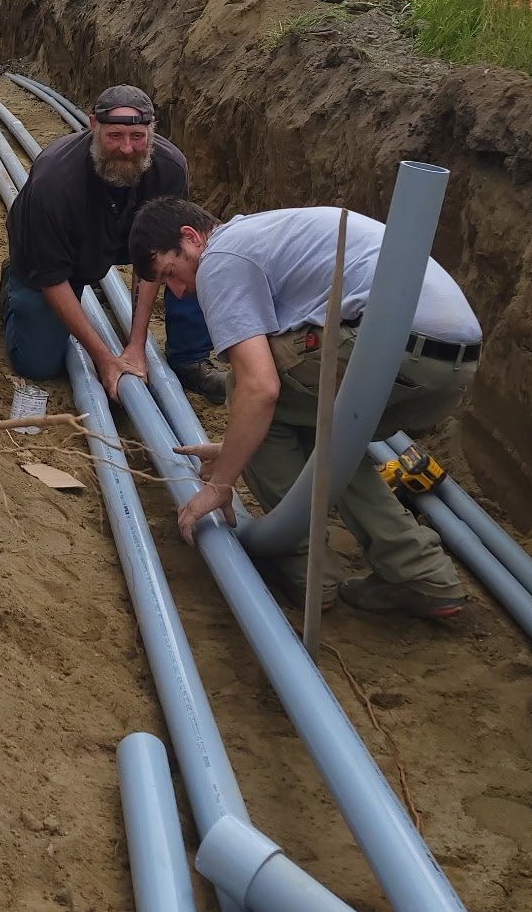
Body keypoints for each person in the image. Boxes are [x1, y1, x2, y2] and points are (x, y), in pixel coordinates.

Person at [128, 195, 483, 619]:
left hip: (395, 346)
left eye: (173, 272)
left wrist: (221, 484)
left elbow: (261, 390)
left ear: (190, 237)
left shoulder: (222, 256)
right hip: (452, 367)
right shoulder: (268, 234)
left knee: (246, 386)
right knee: (329, 435)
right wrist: (237, 445)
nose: (180, 291)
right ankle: (421, 574)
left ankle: (303, 570)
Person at [0, 87, 226, 404]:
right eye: (115, 136)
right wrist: (105, 360)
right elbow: (52, 278)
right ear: (93, 125)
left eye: (137, 136)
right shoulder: (54, 182)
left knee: (195, 262)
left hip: (125, 238)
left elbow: (161, 256)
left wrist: (136, 345)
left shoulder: (170, 168)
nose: (127, 149)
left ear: (152, 129)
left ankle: (189, 357)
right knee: (36, 363)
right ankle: (13, 291)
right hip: (60, 256)